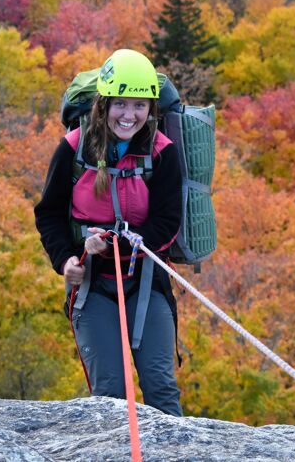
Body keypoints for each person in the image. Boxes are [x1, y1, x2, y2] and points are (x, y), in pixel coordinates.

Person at [34, 49, 183, 416]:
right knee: (111, 397)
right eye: (120, 104)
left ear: (151, 109)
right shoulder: (74, 148)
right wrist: (65, 259)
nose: (129, 115)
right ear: (104, 103)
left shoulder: (162, 152)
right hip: (91, 285)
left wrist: (126, 242)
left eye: (139, 105)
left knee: (161, 389)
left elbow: (168, 220)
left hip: (146, 283)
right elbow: (49, 213)